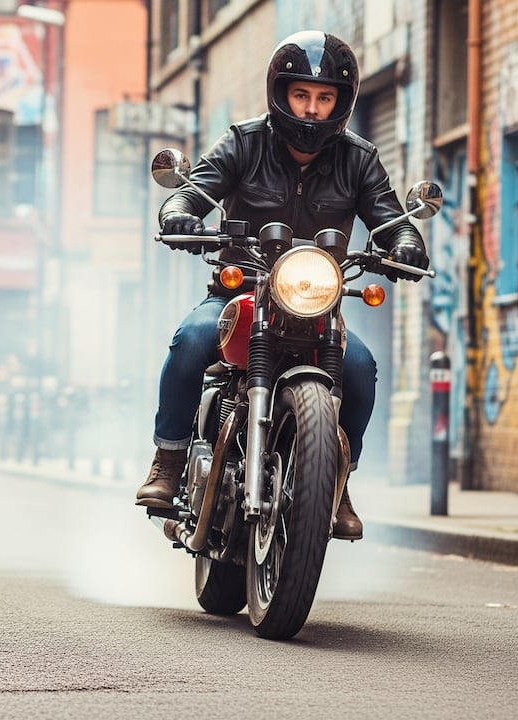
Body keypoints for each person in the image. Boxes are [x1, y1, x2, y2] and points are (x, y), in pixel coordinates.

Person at [133, 30, 429, 541]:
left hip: (314, 305)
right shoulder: (244, 142)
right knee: (190, 342)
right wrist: (181, 212)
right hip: (240, 292)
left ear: (340, 102)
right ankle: (169, 458)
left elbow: (390, 217)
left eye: (324, 98)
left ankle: (334, 480)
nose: (312, 109)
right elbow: (195, 191)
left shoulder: (358, 159)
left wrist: (406, 241)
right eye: (301, 95)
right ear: (281, 93)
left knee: (359, 369)